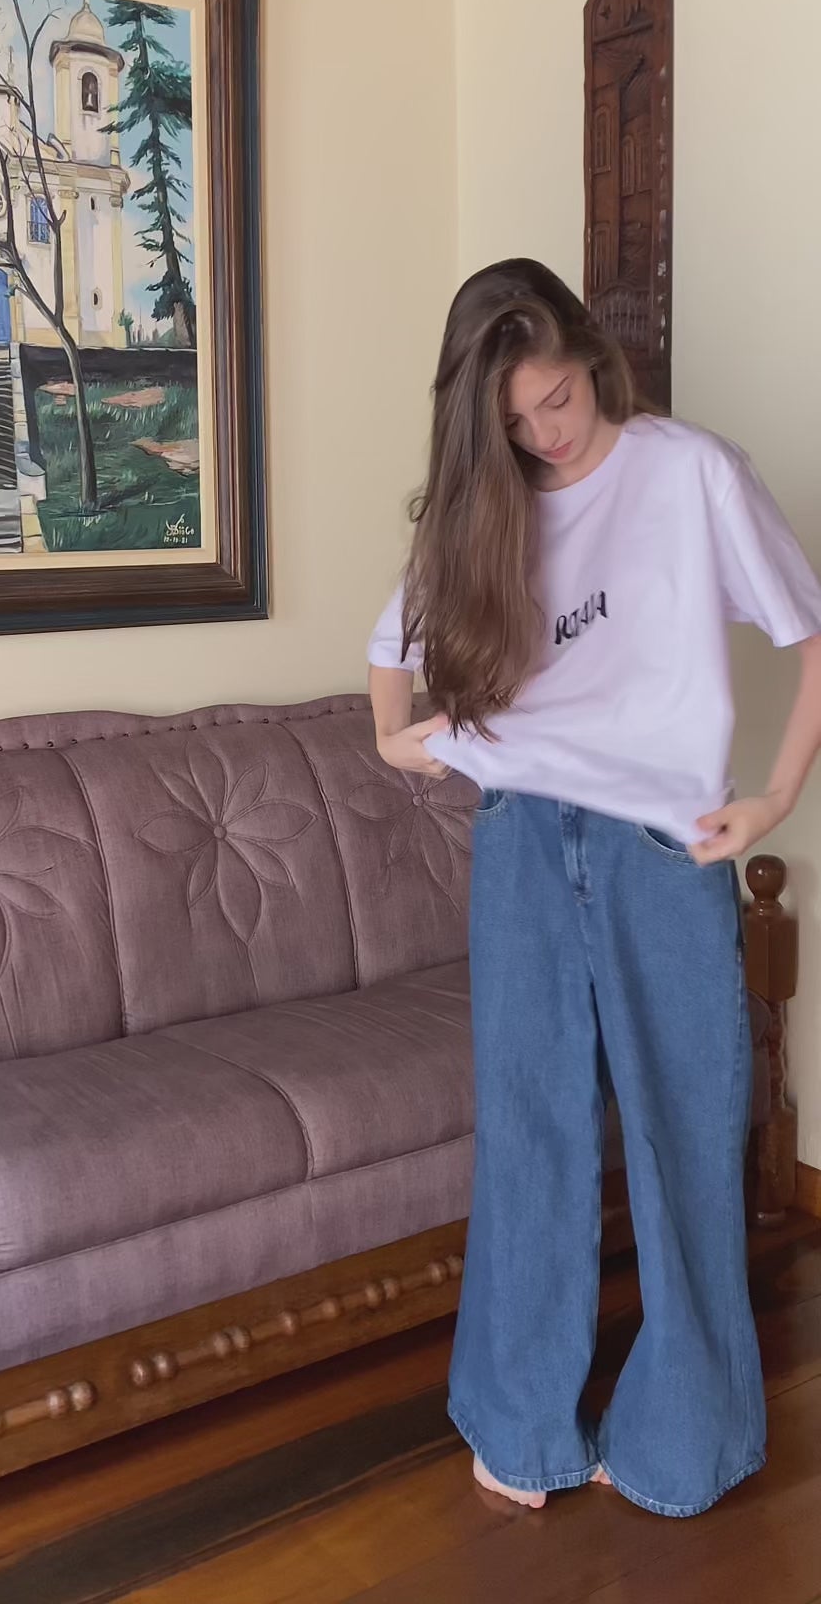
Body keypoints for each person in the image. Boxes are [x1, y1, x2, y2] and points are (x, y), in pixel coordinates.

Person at [368, 259, 821, 1518]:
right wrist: (400, 741)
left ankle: (683, 1444)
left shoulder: (691, 473)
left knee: (688, 1135)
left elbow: (808, 631)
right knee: (531, 1136)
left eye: (556, 400)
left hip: (659, 848)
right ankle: (522, 1430)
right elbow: (391, 663)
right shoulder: (486, 502)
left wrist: (773, 798)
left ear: (591, 359)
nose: (544, 435)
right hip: (519, 838)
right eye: (514, 421)